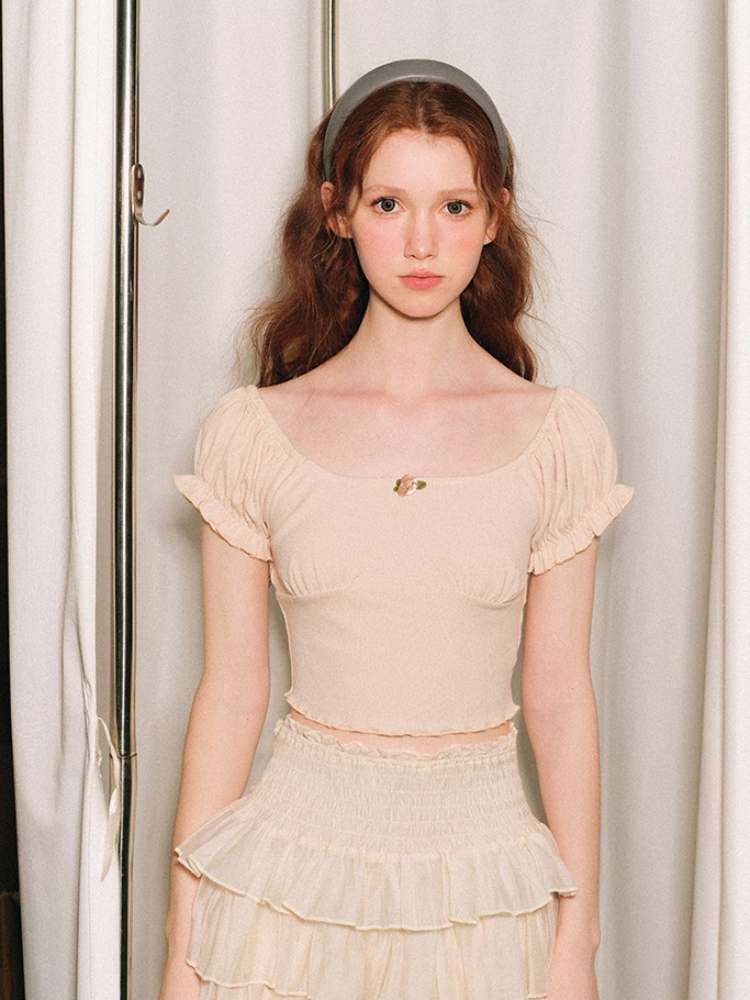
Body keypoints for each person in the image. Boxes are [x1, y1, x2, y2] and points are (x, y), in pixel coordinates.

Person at [159, 59, 634, 1000]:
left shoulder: (558, 435)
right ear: (336, 211)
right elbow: (230, 695)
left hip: (485, 888)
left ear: (495, 217)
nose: (422, 241)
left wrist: (577, 944)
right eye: (388, 204)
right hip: (292, 885)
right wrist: (183, 949)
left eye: (454, 207)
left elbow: (560, 700)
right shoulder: (251, 432)